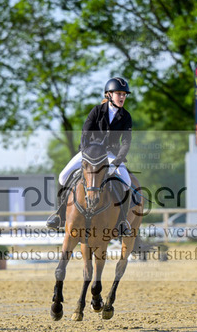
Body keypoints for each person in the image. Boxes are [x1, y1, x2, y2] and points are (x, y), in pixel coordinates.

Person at [46, 76, 133, 234]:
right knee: (63, 176)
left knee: (126, 182)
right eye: (119, 94)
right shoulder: (97, 111)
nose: (122, 97)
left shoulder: (126, 116)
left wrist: (116, 162)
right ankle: (59, 215)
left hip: (110, 155)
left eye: (124, 94)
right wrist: (86, 153)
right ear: (109, 95)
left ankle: (122, 222)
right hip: (89, 152)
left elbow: (126, 143)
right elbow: (85, 133)